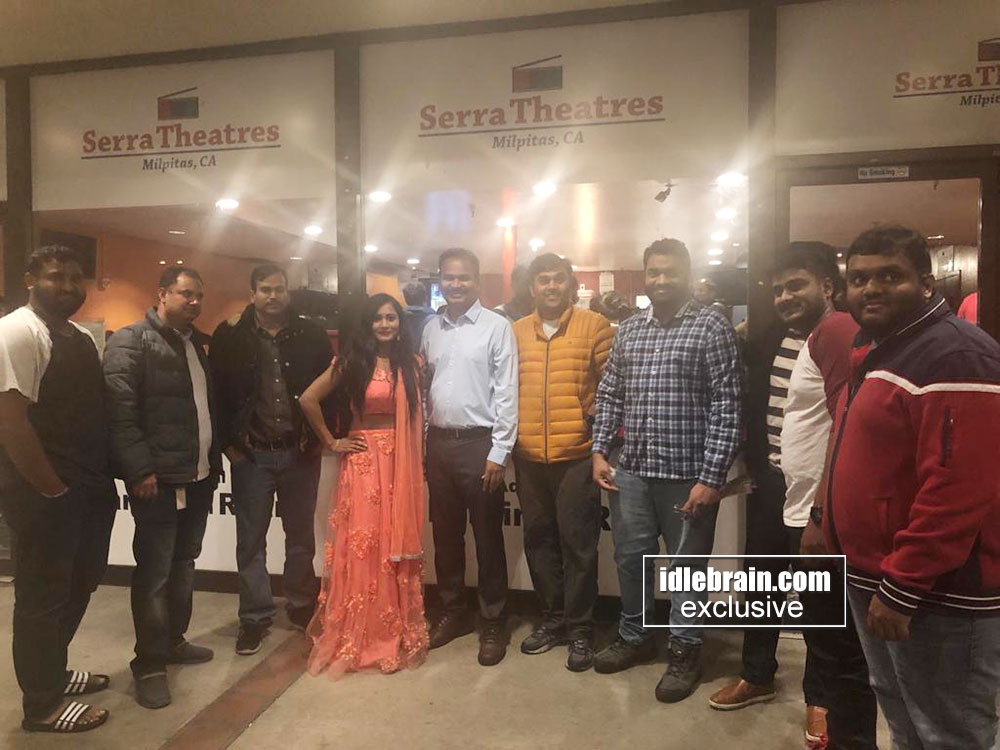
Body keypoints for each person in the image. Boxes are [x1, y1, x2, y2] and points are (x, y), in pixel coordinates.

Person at [803, 226, 1000, 750]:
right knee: (905, 718)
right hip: (876, 576)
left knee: (948, 731)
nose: (871, 289)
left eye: (890, 276)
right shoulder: (882, 347)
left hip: (936, 593)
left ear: (927, 282)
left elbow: (958, 491)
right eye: (860, 278)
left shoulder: (956, 355)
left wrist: (903, 587)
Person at [709, 243, 877, 750]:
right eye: (778, 288)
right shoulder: (776, 339)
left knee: (817, 602)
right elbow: (762, 407)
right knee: (760, 583)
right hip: (773, 483)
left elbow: (847, 424)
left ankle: (819, 700)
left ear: (827, 286)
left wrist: (821, 508)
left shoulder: (839, 335)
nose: (784, 296)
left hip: (819, 495)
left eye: (796, 285)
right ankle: (757, 674)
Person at [591, 238, 742, 703]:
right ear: (645, 275)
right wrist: (599, 451)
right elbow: (610, 393)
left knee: (686, 568)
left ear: (687, 274)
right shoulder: (630, 329)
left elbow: (728, 405)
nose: (661, 280)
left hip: (688, 474)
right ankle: (635, 636)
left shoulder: (711, 325)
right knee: (630, 559)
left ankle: (685, 650)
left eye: (670, 272)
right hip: (632, 471)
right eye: (653, 272)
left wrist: (711, 477)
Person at [0, 246, 115, 733]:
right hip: (43, 491)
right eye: (55, 277)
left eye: (74, 278)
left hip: (86, 486)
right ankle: (42, 706)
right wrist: (51, 490)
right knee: (42, 597)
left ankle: (54, 671)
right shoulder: (17, 331)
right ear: (30, 279)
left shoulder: (79, 337)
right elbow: (11, 422)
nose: (67, 286)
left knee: (79, 582)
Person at [103, 266, 221, 710]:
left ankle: (173, 641)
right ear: (163, 293)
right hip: (157, 481)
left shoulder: (195, 344)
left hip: (197, 475)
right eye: (186, 294)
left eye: (199, 295)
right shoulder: (130, 342)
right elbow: (119, 412)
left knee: (184, 563)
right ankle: (149, 665)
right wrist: (139, 470)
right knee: (154, 573)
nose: (194, 302)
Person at [299, 292, 428, 676]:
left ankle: (392, 629)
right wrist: (332, 440)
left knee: (391, 543)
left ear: (400, 323)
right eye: (377, 318)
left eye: (391, 317)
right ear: (368, 324)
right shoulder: (351, 362)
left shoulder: (412, 363)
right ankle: (361, 634)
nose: (385, 324)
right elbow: (308, 399)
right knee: (365, 545)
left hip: (400, 462)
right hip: (365, 463)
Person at [209, 264, 333, 655]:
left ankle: (301, 607)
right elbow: (216, 394)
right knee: (250, 542)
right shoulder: (230, 335)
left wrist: (323, 437)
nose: (273, 296)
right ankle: (254, 618)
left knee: (300, 538)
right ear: (253, 294)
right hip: (252, 455)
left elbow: (333, 388)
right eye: (265, 289)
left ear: (288, 292)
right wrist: (227, 445)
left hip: (300, 452)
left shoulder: (311, 335)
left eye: (279, 289)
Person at [511, 253, 613, 672]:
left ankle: (581, 629)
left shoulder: (595, 326)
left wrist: (597, 432)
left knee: (579, 546)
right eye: (543, 280)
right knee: (538, 542)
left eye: (557, 279)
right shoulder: (516, 331)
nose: (550, 287)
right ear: (531, 287)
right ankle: (552, 620)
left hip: (576, 455)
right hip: (528, 456)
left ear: (570, 284)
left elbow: (612, 388)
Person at [422, 248, 518, 666]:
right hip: (439, 444)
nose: (456, 284)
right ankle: (453, 612)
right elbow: (424, 384)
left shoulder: (497, 327)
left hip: (481, 445)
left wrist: (499, 452)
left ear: (477, 281)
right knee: (445, 536)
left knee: (488, 538)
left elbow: (507, 392)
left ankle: (493, 621)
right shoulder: (431, 328)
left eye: (463, 277)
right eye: (449, 277)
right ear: (439, 281)